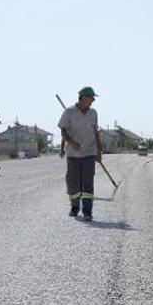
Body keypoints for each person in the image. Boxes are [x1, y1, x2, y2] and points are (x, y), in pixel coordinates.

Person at [58, 87, 102, 222]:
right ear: (84, 97)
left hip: (89, 152)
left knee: (88, 183)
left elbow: (96, 132)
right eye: (91, 98)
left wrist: (99, 151)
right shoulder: (69, 112)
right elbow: (63, 132)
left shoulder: (93, 113)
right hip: (73, 154)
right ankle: (75, 206)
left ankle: (88, 211)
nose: (93, 101)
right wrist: (71, 143)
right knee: (74, 184)